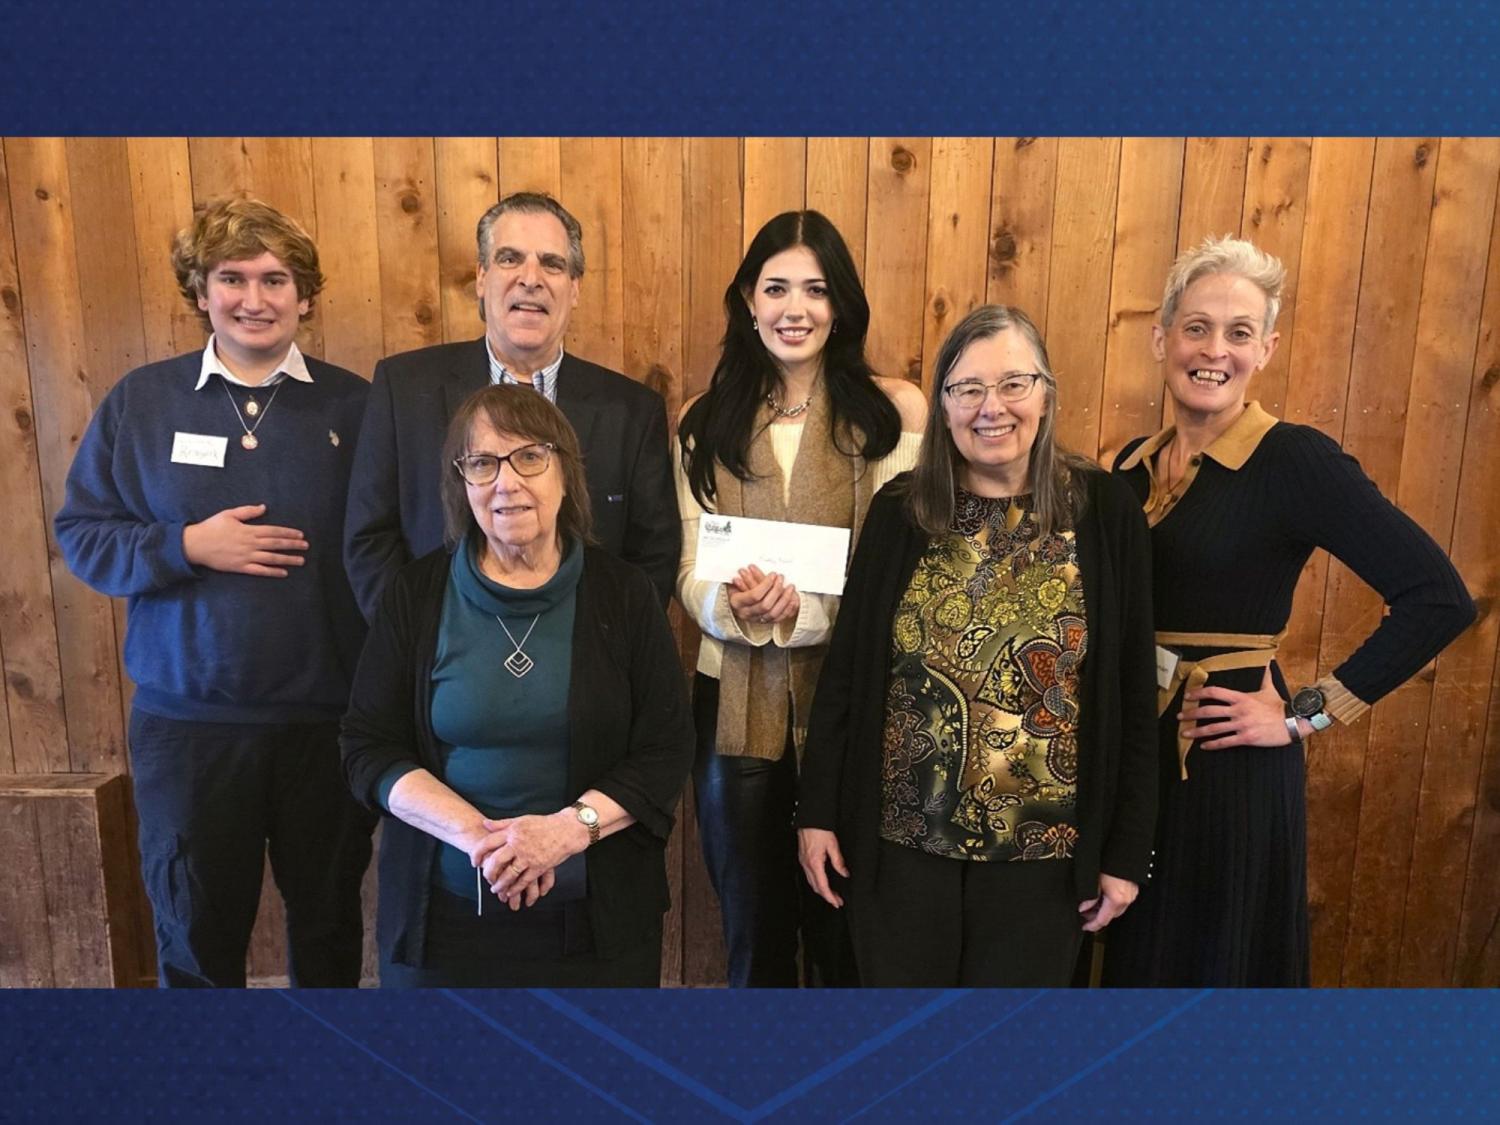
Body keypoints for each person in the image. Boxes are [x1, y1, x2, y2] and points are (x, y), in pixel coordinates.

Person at [1101, 235, 1476, 987]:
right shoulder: (1128, 466)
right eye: (1197, 326)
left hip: (1226, 760)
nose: (1215, 349)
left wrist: (1304, 713)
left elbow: (1438, 597)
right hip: (1133, 754)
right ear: (1162, 336)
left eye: (1239, 333)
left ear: (1265, 349)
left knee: (1209, 966)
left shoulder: (1294, 459)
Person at [54, 198, 373, 987]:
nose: (254, 298)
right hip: (189, 729)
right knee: (194, 935)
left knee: (330, 927)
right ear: (200, 291)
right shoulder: (142, 402)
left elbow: (390, 551)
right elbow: (83, 534)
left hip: (326, 726)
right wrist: (187, 545)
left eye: (276, 278)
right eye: (232, 277)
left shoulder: (355, 404)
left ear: (306, 294)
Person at [796, 304, 1158, 987]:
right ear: (944, 406)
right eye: (968, 389)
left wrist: (1127, 852)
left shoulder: (1105, 513)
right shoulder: (901, 511)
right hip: (899, 849)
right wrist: (816, 812)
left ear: (1046, 395)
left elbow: (1134, 695)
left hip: (1046, 860)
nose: (991, 407)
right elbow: (845, 676)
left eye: (1013, 384)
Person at [341, 385, 694, 987]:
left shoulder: (625, 594)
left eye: (530, 457)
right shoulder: (415, 594)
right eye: (482, 463)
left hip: (597, 922)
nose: (507, 482)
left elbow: (664, 749)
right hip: (444, 919)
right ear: (463, 486)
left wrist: (560, 834)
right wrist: (483, 840)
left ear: (565, 474)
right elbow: (368, 746)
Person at [676, 210, 927, 986]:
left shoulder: (894, 411)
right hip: (731, 702)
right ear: (748, 300)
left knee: (846, 936)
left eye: (816, 290)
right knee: (754, 933)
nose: (796, 308)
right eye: (776, 287)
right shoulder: (701, 418)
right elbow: (690, 567)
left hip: (854, 709)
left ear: (841, 304)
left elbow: (898, 576)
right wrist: (733, 604)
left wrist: (802, 613)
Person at [344, 191, 679, 619]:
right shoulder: (402, 388)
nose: (530, 278)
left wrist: (609, 652)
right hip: (439, 666)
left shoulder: (633, 410)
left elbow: (653, 555)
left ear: (574, 288)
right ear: (482, 278)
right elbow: (370, 540)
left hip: (583, 667)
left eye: (552, 264)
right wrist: (415, 642)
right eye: (509, 259)